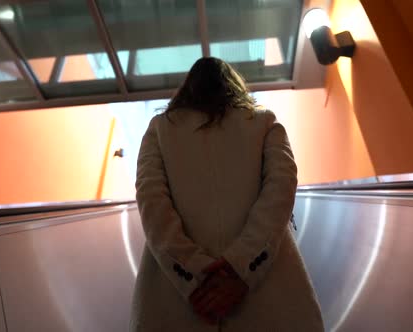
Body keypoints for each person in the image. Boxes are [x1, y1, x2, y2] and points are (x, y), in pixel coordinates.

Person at [131, 57, 324, 331]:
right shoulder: (265, 123)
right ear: (234, 85)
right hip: (272, 299)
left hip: (173, 302)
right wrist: (240, 269)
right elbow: (281, 187)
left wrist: (194, 274)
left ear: (187, 88)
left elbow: (151, 201)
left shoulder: (160, 129)